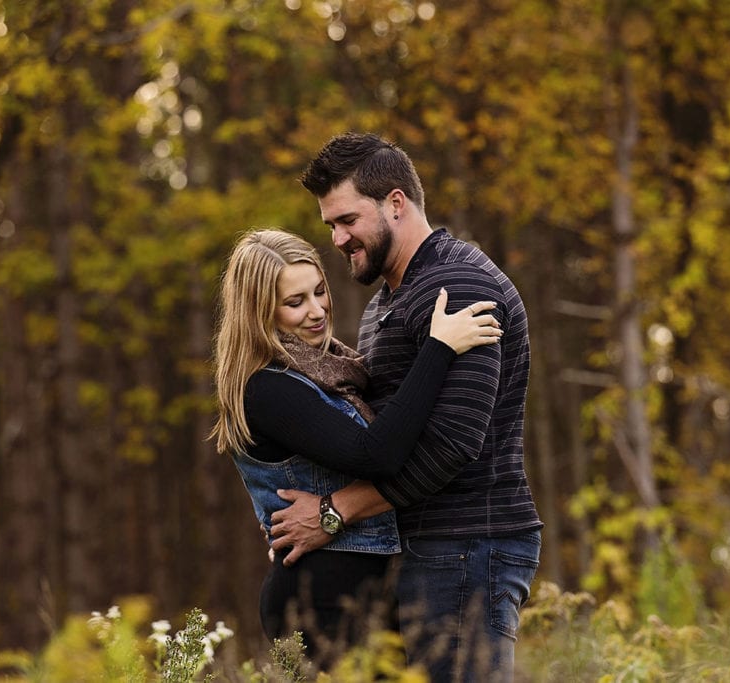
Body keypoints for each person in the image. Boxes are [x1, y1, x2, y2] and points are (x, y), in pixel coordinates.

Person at [269, 132, 543, 682]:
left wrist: (334, 511)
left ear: (396, 202)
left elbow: (453, 443)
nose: (339, 238)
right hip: (425, 549)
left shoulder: (459, 287)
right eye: (330, 226)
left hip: (469, 545)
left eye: (347, 219)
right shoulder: (387, 302)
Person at [210, 228, 502, 665]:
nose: (316, 311)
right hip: (321, 597)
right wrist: (438, 348)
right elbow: (376, 454)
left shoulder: (328, 371)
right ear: (259, 313)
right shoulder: (268, 388)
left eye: (319, 292)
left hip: (361, 589)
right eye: (295, 302)